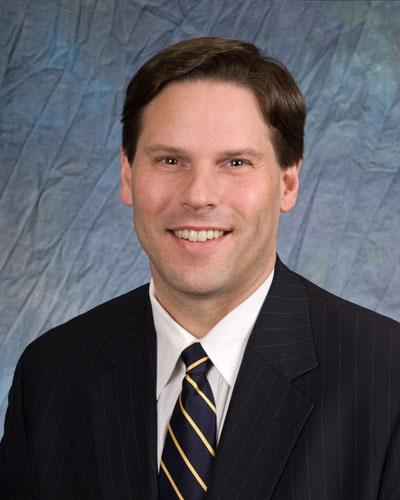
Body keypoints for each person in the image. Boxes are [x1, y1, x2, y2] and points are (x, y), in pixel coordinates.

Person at [1, 37, 399, 500]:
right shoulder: (50, 375)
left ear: (287, 183)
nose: (198, 195)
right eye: (170, 160)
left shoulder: (386, 377)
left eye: (236, 163)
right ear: (128, 175)